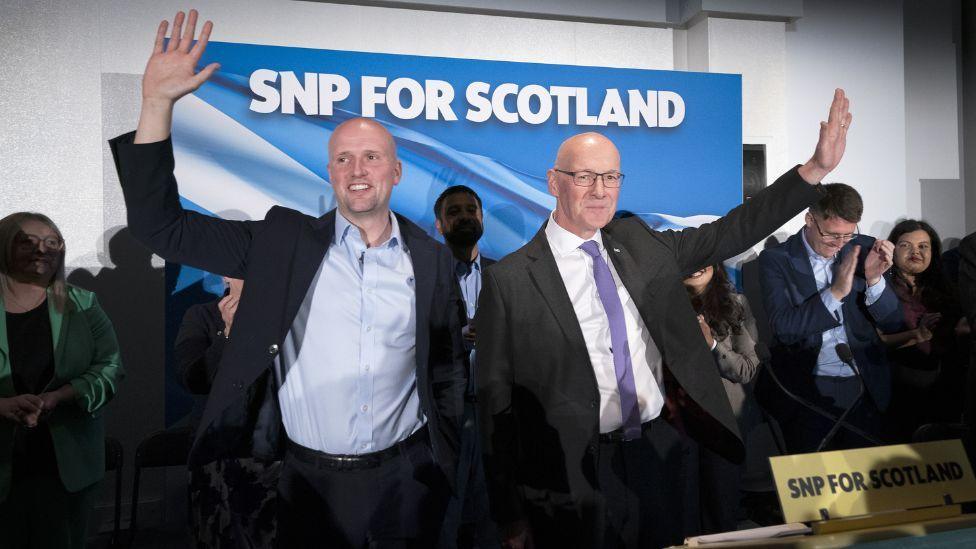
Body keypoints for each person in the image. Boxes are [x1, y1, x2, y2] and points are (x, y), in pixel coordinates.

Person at [110, 11, 467, 547]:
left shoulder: (434, 261)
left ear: (396, 172)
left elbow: (447, 372)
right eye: (342, 158)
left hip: (409, 478)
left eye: (372, 157)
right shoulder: (282, 241)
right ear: (330, 174)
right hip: (308, 480)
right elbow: (161, 226)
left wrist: (447, 457)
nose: (357, 170)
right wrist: (156, 104)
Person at [476, 88, 853, 548]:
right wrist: (510, 515)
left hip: (660, 456)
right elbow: (497, 410)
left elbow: (731, 229)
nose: (600, 190)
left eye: (611, 176)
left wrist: (815, 171)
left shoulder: (638, 242)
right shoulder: (511, 279)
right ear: (554, 181)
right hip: (572, 475)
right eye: (585, 176)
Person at [0, 212, 125, 549]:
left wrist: (63, 396)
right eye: (27, 241)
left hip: (63, 465)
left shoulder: (82, 302)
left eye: (51, 242)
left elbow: (110, 368)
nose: (42, 250)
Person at [757, 184, 902, 455]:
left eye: (848, 235)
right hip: (806, 394)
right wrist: (834, 293)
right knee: (815, 491)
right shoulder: (776, 260)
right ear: (810, 219)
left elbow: (893, 323)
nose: (839, 244)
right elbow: (785, 328)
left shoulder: (864, 250)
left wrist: (874, 279)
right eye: (832, 235)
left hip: (863, 388)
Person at [175, 277, 279, 548]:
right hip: (216, 456)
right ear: (224, 276)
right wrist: (230, 331)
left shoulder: (283, 317)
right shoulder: (201, 316)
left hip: (275, 455)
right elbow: (194, 379)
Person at [433, 185, 498, 547]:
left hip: (493, 423)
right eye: (454, 212)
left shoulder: (503, 276)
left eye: (470, 210)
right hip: (444, 424)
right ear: (439, 225)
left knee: (491, 527)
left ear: (482, 218)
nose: (464, 217)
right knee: (444, 525)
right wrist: (455, 339)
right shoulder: (422, 277)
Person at [682, 264, 760, 534]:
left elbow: (747, 369)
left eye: (704, 258)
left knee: (720, 510)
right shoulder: (662, 303)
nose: (696, 267)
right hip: (676, 423)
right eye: (691, 259)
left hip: (724, 422)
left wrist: (712, 346)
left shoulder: (736, 304)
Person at [881, 220, 968, 441]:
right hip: (896, 392)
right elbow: (874, 341)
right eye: (906, 245)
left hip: (944, 392)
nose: (916, 252)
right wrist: (915, 335)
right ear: (892, 248)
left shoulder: (947, 288)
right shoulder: (878, 289)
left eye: (923, 246)